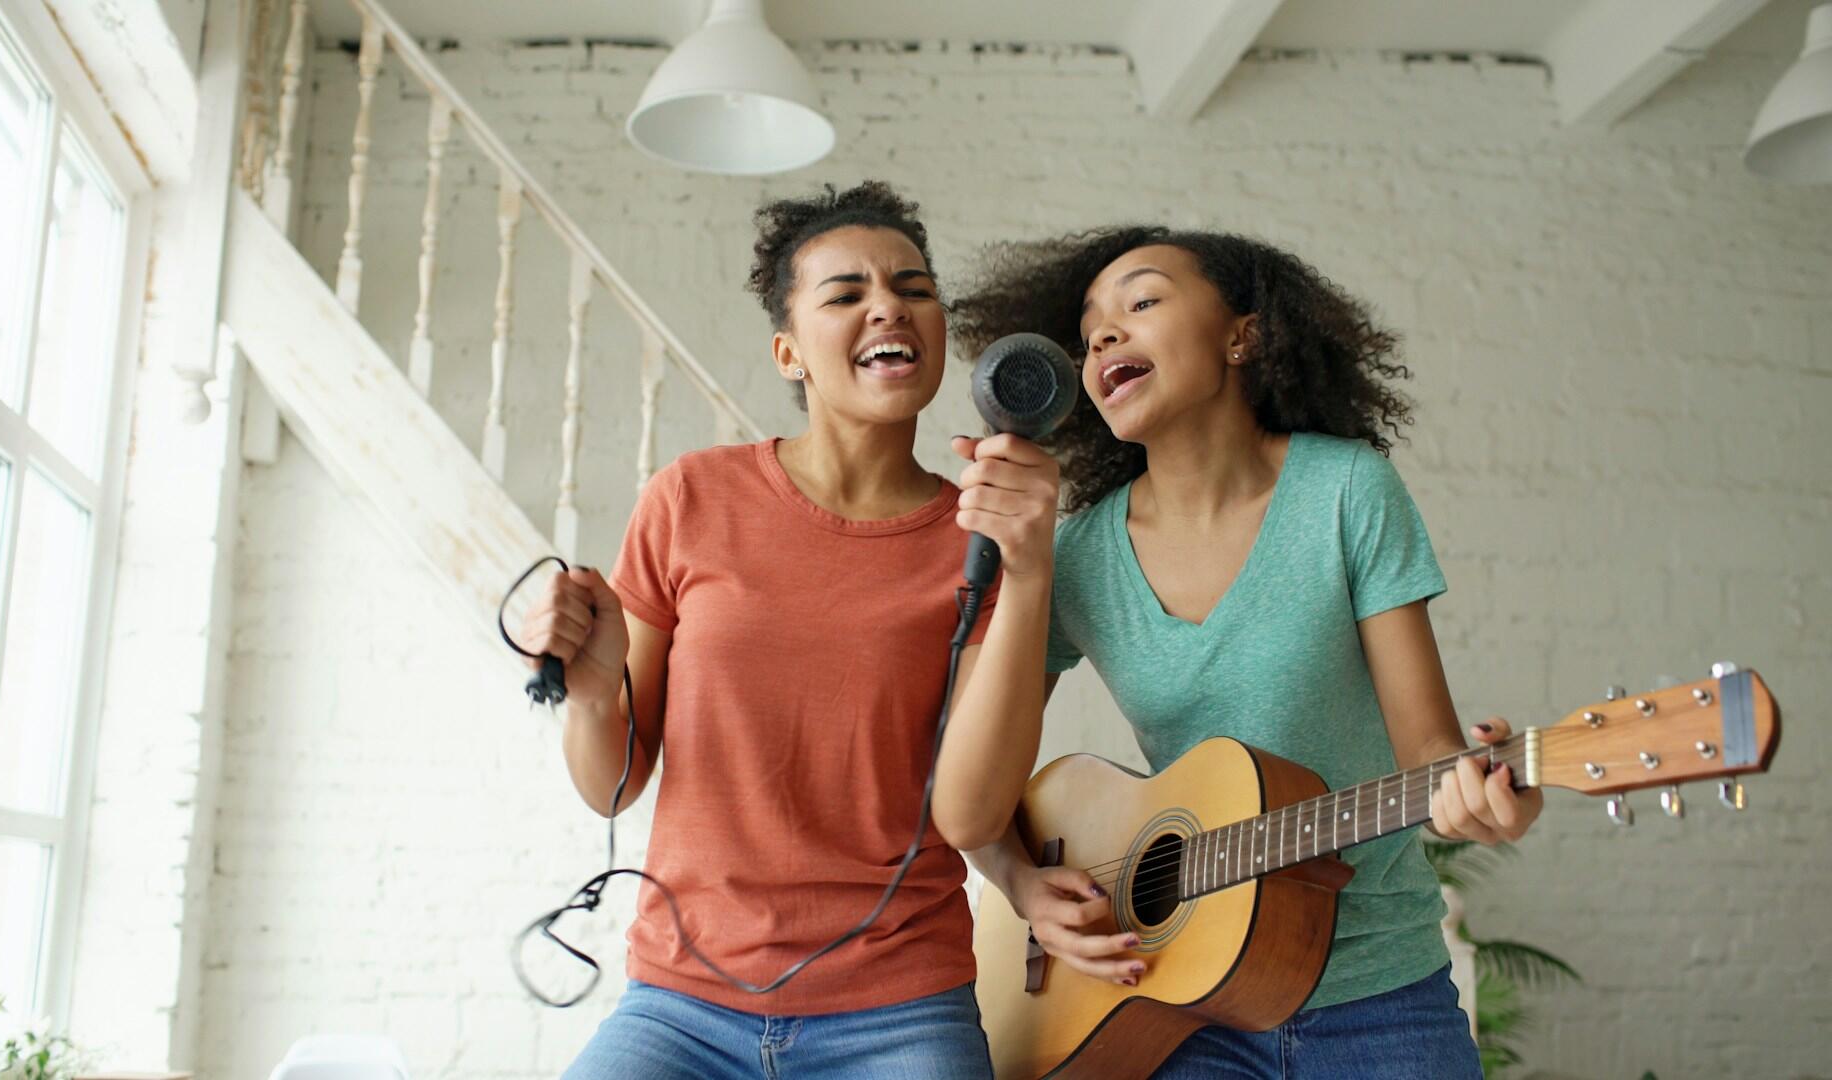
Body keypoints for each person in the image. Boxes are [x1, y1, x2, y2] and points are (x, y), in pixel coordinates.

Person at [956, 226, 1542, 1078]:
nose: (1105, 338)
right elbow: (968, 802)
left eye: (1142, 302)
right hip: (1174, 1000)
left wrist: (1486, 797)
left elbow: (1431, 752)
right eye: (1088, 335)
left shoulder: (1346, 491)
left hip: (1379, 994)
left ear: (1244, 335)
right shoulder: (1077, 555)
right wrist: (1019, 883)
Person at [521, 182, 1057, 1080]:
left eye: (913, 288)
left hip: (900, 1009)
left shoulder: (987, 538)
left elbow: (968, 814)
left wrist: (1031, 567)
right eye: (845, 294)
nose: (888, 304)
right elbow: (612, 787)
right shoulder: (689, 499)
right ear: (789, 352)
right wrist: (589, 687)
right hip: (682, 1005)